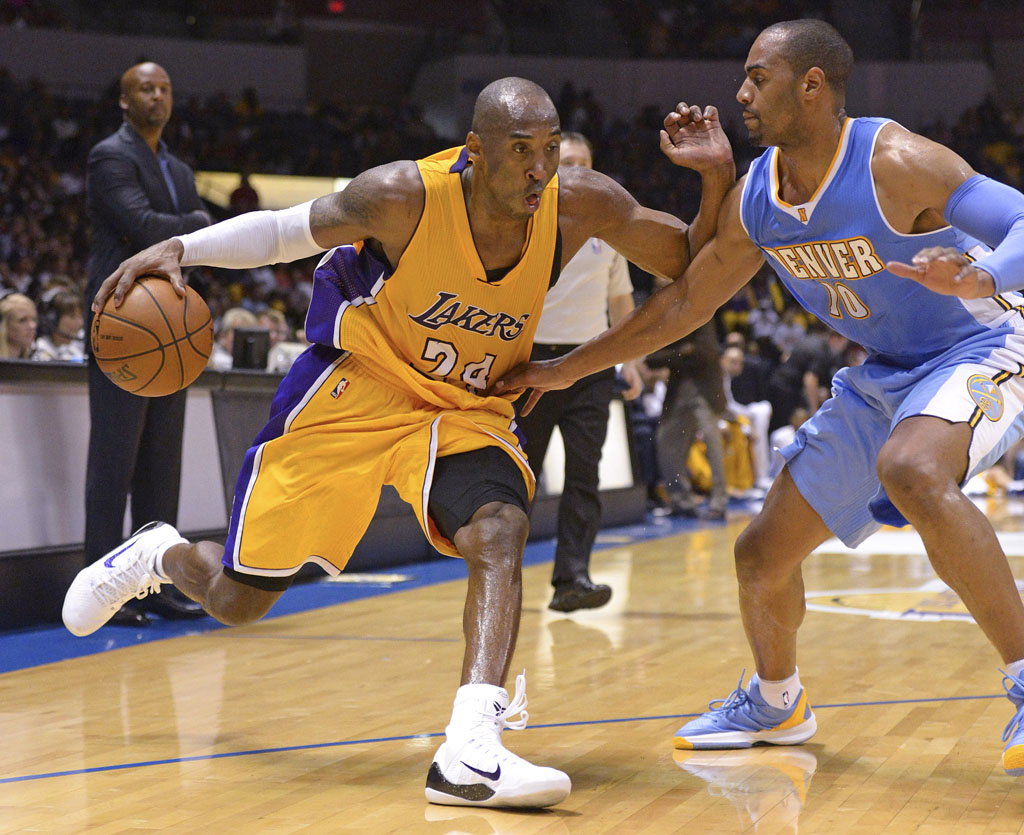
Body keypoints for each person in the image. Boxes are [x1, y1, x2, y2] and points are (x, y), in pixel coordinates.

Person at [62, 77, 735, 807]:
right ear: (475, 151)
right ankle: (158, 552)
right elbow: (286, 231)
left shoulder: (579, 202)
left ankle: (471, 746)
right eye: (519, 152)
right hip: (357, 388)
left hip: (462, 403)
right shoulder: (402, 195)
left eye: (547, 149)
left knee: (500, 528)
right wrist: (180, 248)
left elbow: (690, 264)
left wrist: (714, 179)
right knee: (237, 599)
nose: (539, 168)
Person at [496, 22, 1024, 777]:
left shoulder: (894, 160)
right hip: (887, 369)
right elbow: (682, 307)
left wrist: (981, 276)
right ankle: (777, 702)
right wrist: (565, 369)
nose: (740, 93)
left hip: (985, 341)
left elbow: (1020, 220)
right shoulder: (757, 199)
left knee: (913, 468)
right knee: (759, 556)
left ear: (812, 86)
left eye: (758, 77)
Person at [83, 62, 212, 626]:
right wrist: (194, 222)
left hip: (171, 331)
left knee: (162, 466)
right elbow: (140, 225)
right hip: (123, 327)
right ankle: (100, 588)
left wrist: (187, 227)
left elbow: (184, 236)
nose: (157, 96)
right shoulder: (110, 156)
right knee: (114, 461)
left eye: (164, 88)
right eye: (144, 88)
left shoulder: (178, 168)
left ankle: (157, 583)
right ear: (123, 99)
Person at [517, 131, 643, 613]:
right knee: (518, 479)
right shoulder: (526, 218)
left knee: (583, 477)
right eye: (567, 161)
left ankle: (572, 579)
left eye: (585, 162)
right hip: (532, 365)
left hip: (591, 365)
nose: (577, 170)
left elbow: (620, 300)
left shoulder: (608, 227)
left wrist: (630, 359)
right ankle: (502, 577)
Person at [652, 321, 729, 519]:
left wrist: (672, 355)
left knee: (713, 446)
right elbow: (651, 358)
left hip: (705, 392)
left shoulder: (703, 313)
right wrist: (682, 352)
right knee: (665, 441)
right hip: (678, 391)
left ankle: (719, 503)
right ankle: (681, 502)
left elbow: (706, 351)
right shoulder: (669, 316)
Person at [32, 289, 85, 361]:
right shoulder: (39, 351)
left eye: (81, 316)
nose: (80, 322)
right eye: (72, 317)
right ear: (53, 320)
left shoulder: (75, 350)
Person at [0, 292, 37, 358]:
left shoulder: (37, 359)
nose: (32, 326)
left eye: (33, 319)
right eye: (23, 320)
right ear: (5, 325)